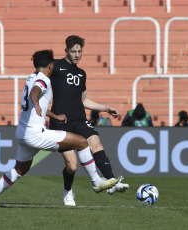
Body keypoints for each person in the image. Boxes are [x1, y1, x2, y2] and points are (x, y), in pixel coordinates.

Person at [0, 50, 118, 209]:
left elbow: (34, 98)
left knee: (19, 169)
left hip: (23, 133)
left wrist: (54, 115)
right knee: (81, 142)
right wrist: (36, 102)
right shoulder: (43, 79)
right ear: (50, 65)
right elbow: (35, 92)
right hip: (35, 134)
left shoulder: (30, 77)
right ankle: (96, 181)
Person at [49, 35, 129, 205]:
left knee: (96, 144)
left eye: (79, 52)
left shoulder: (81, 73)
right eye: (73, 51)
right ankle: (67, 191)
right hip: (61, 123)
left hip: (79, 119)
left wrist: (106, 108)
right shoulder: (55, 66)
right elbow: (39, 78)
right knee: (72, 166)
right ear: (66, 51)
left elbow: (84, 101)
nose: (77, 55)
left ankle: (111, 181)